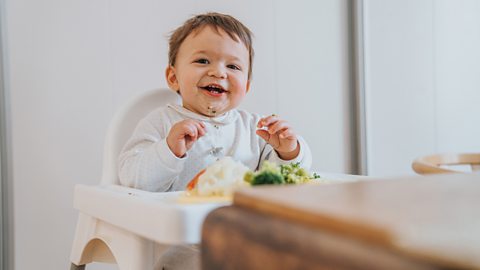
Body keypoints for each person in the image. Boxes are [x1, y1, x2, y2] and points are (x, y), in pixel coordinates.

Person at [118, 12, 312, 270]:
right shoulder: (161, 123)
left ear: (247, 85)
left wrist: (289, 150)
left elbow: (285, 183)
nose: (218, 72)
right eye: (202, 60)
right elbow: (131, 178)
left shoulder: (256, 128)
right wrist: (168, 150)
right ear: (173, 77)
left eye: (233, 66)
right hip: (181, 246)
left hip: (248, 239)